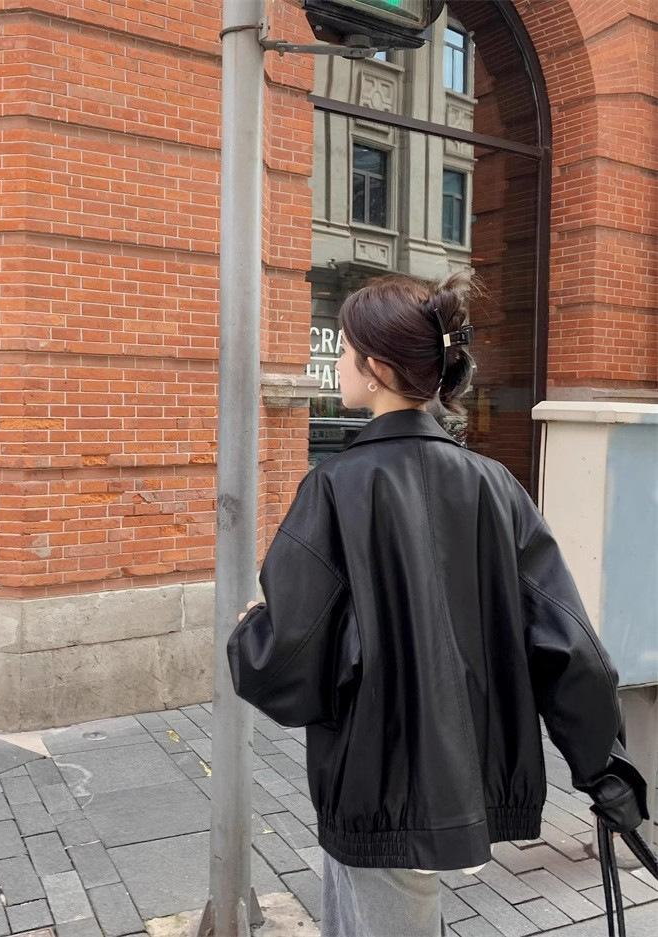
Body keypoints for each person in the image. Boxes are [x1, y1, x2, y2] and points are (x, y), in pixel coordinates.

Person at [228, 274, 648, 937]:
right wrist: (604, 770)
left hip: (371, 779)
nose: (337, 363)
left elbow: (286, 657)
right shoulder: (495, 486)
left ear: (376, 367)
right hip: (469, 770)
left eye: (345, 350)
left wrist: (251, 629)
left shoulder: (334, 488)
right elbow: (568, 643)